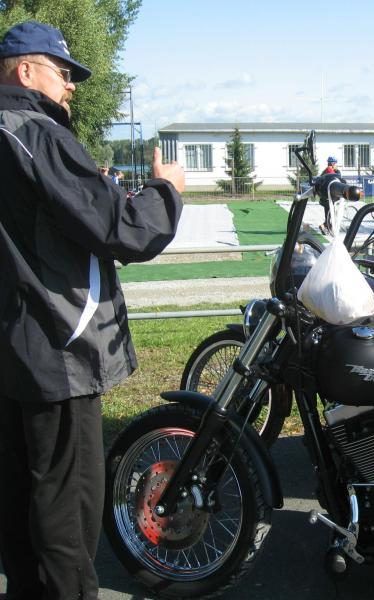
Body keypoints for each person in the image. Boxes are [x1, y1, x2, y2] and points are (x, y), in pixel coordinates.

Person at [0, 20, 184, 600]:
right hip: (59, 351)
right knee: (66, 503)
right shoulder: (35, 133)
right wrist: (166, 191)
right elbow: (121, 226)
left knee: (19, 497)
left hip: (13, 350)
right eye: (63, 72)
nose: (72, 86)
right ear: (25, 70)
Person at [318, 157, 341, 234]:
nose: (336, 165)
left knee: (329, 213)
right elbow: (338, 177)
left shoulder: (326, 170)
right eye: (335, 164)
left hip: (325, 196)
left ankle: (327, 227)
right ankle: (324, 226)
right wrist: (337, 170)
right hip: (327, 196)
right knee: (331, 213)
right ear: (332, 163)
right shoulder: (329, 170)